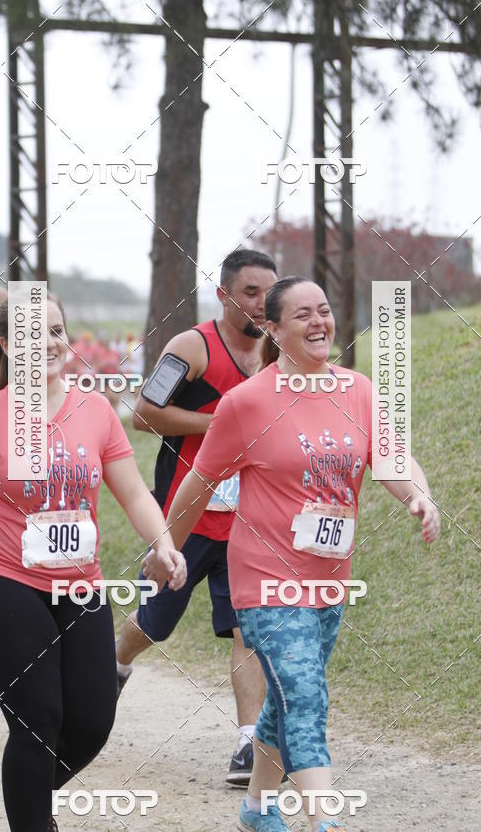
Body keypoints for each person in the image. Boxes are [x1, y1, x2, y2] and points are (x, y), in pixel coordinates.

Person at [160, 277, 441, 831]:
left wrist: (420, 497)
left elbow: (390, 458)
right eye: (303, 315)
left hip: (329, 578)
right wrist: (165, 546)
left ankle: (258, 809)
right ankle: (324, 820)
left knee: (287, 697)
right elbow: (199, 482)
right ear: (274, 328)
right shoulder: (247, 403)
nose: (319, 323)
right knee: (307, 698)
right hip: (265, 580)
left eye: (325, 311)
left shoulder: (356, 389)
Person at [0, 293, 186, 832]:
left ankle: (30, 797)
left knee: (91, 723)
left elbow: (131, 493)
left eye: (58, 332)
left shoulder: (96, 410)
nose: (51, 344)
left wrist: (164, 542)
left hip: (80, 585)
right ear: (10, 346)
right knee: (38, 721)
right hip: (4, 582)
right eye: (36, 335)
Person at [116, 248, 278, 786]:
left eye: (267, 293)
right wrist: (219, 426)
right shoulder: (194, 346)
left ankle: (246, 746)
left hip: (251, 524)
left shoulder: (280, 351)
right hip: (188, 519)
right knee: (152, 627)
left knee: (247, 631)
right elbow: (141, 412)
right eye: (249, 293)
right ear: (224, 294)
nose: (260, 303)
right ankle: (110, 671)